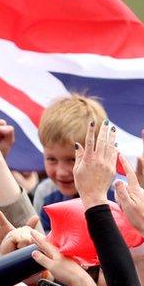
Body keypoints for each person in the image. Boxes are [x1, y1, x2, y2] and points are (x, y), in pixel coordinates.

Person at [31, 95, 108, 230]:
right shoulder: (45, 194)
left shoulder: (118, 195)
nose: (61, 172)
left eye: (73, 159)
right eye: (51, 159)